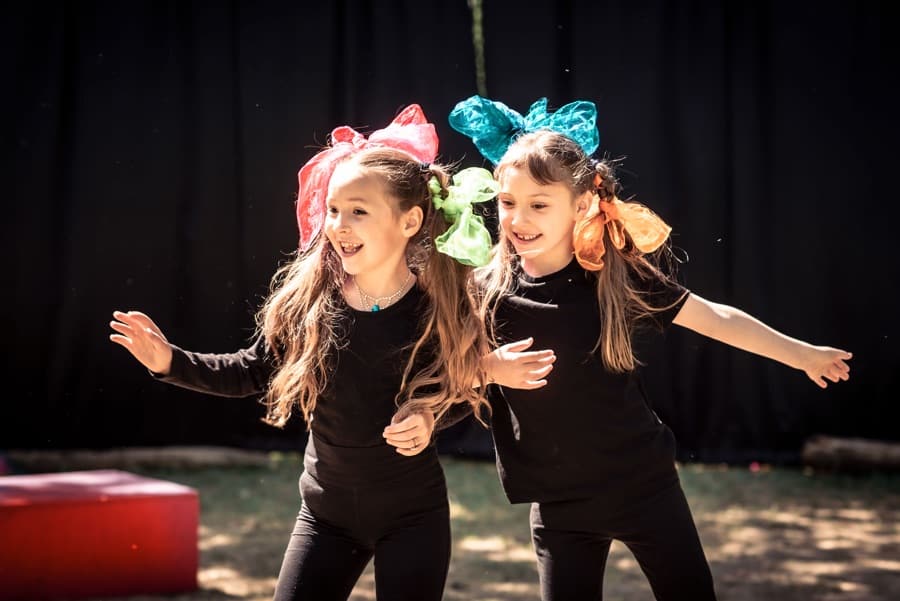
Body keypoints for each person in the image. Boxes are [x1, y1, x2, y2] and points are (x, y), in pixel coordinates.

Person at [450, 95, 853, 601]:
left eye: (538, 204)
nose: (518, 218)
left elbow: (716, 318)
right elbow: (444, 372)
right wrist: (487, 367)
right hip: (558, 503)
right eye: (508, 203)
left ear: (581, 206)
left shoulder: (614, 277)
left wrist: (801, 354)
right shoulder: (487, 288)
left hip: (643, 485)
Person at [109, 104, 500, 601]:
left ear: (410, 221)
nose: (339, 225)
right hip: (325, 515)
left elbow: (459, 385)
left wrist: (428, 416)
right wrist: (169, 360)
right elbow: (249, 371)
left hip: (412, 518)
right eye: (334, 209)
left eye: (359, 211)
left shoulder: (435, 307)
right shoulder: (311, 303)